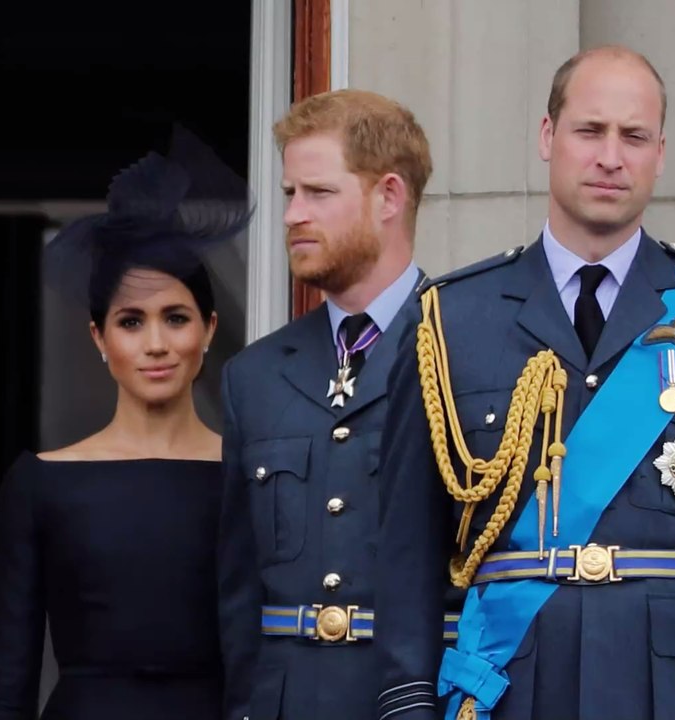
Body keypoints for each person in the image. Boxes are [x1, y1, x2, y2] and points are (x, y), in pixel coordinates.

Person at [374, 46, 675, 720]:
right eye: (590, 130)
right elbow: (406, 551)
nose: (611, 156)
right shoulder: (450, 319)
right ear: (548, 137)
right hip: (508, 687)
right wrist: (407, 706)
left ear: (659, 153)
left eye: (634, 137)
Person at [0, 129, 251, 720]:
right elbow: (4, 684)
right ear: (99, 337)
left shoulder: (249, 476)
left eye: (175, 317)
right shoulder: (40, 484)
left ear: (207, 328)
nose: (156, 344)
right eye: (131, 321)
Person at [216, 89, 448, 720]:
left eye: (318, 193)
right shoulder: (254, 377)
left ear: (389, 198)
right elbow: (238, 597)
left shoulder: (469, 349)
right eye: (291, 194)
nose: (292, 214)